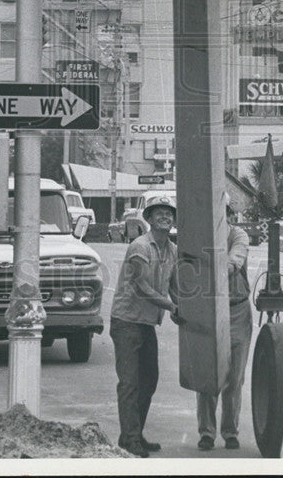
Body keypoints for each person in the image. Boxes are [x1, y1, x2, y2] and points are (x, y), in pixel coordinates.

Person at [109, 191, 178, 458]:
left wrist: (183, 306)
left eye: (169, 213)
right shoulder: (140, 246)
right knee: (129, 383)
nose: (165, 216)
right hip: (126, 321)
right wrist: (170, 306)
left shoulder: (171, 249)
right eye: (159, 212)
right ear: (148, 218)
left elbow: (174, 286)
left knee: (149, 381)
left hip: (146, 323)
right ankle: (130, 439)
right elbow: (141, 286)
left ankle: (133, 434)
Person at [196, 196, 253, 451]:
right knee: (208, 374)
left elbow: (235, 259)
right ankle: (206, 432)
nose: (220, 217)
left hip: (237, 310)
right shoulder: (201, 238)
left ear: (229, 215)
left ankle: (230, 431)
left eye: (224, 212)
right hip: (209, 310)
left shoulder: (238, 236)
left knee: (235, 376)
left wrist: (216, 270)